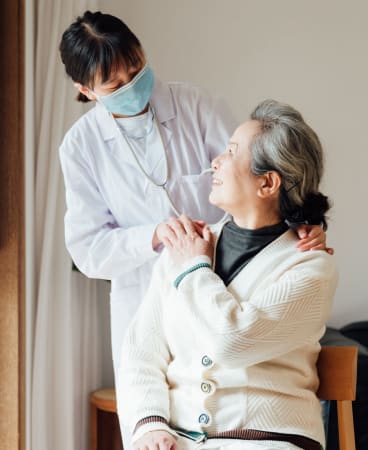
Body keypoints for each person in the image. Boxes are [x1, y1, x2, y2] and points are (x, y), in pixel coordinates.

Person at [58, 10, 329, 447]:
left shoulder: (197, 106)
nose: (133, 86)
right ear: (85, 91)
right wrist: (161, 238)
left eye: (137, 69)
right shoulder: (80, 147)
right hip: (148, 288)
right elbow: (89, 250)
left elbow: (258, 171)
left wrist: (306, 221)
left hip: (232, 279)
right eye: (115, 84)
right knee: (152, 420)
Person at [118, 99, 338, 450]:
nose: (215, 161)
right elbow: (141, 352)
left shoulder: (310, 266)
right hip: (178, 439)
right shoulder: (185, 245)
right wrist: (149, 425)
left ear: (267, 183)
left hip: (270, 441)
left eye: (232, 152)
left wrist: (194, 269)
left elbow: (232, 343)